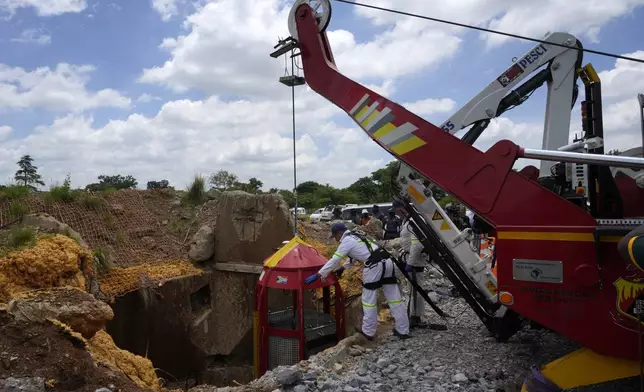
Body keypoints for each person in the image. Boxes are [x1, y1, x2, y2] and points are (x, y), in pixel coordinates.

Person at [304, 223, 410, 340]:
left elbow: (335, 259)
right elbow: (358, 253)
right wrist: (343, 268)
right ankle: (403, 329)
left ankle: (368, 332)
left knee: (368, 299)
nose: (336, 239)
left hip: (374, 266)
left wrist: (319, 274)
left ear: (339, 233)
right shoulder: (356, 235)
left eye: (335, 236)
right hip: (388, 263)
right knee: (394, 298)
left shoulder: (346, 241)